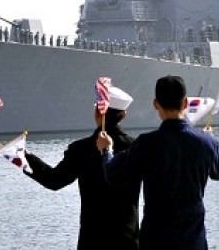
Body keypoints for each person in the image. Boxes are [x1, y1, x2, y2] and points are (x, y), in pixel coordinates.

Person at [96, 75, 219, 250]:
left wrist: (107, 150)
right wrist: (213, 142)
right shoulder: (206, 143)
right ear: (186, 103)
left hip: (156, 239)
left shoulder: (147, 143)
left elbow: (113, 175)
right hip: (193, 240)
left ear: (156, 104)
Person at [25, 85, 140, 249]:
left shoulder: (80, 149)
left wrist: (23, 157)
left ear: (97, 113)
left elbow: (54, 180)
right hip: (127, 240)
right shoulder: (137, 148)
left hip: (92, 239)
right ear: (124, 115)